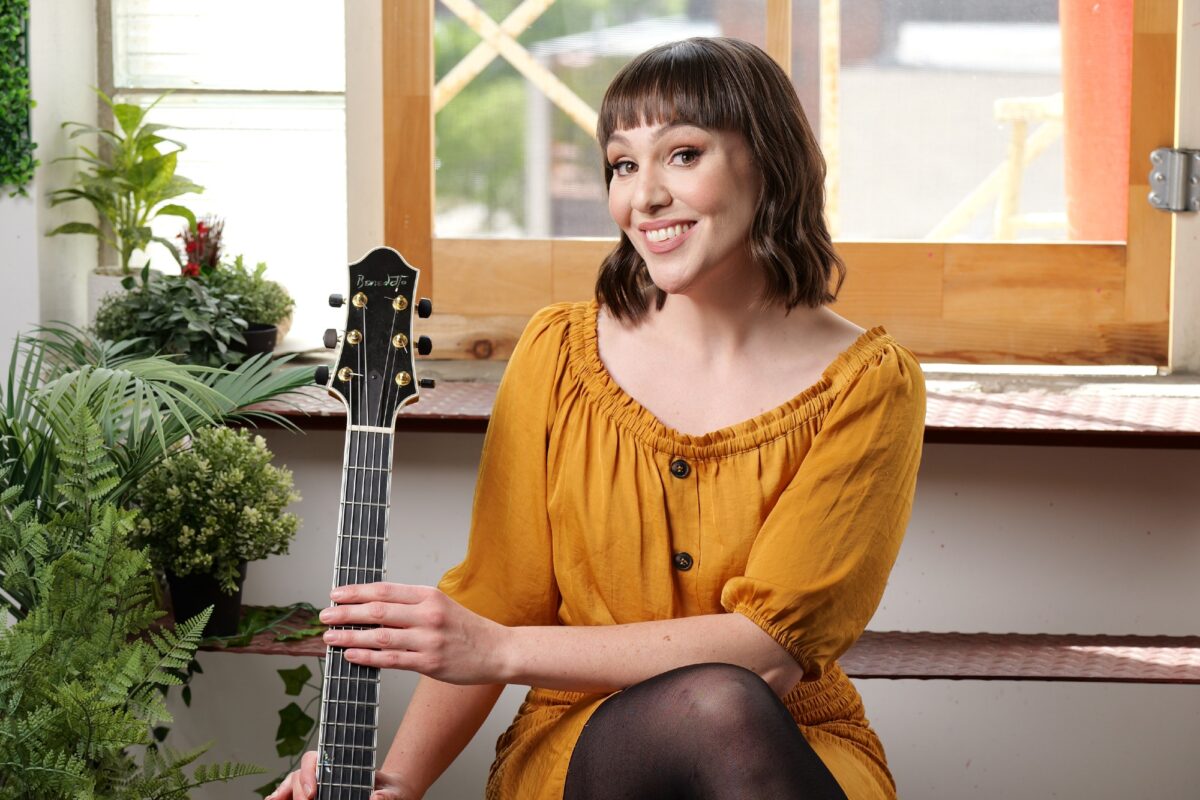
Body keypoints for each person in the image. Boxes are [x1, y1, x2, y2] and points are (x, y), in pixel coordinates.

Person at [272, 36, 924, 800]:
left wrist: (501, 650)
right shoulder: (558, 353)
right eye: (622, 165)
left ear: (770, 162)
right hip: (584, 747)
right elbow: (497, 596)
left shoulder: (868, 386)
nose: (644, 198)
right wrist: (395, 784)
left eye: (683, 155)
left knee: (723, 704)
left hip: (792, 742)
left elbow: (767, 653)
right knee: (714, 707)